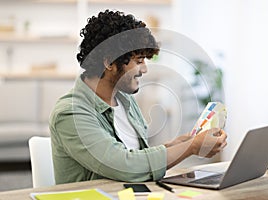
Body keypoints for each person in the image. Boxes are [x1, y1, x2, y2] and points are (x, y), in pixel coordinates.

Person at [49, 9, 227, 184]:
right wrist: (191, 147)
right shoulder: (70, 113)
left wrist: (178, 144)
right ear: (109, 62)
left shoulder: (124, 100)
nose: (144, 69)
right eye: (139, 61)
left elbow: (134, 155)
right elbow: (124, 165)